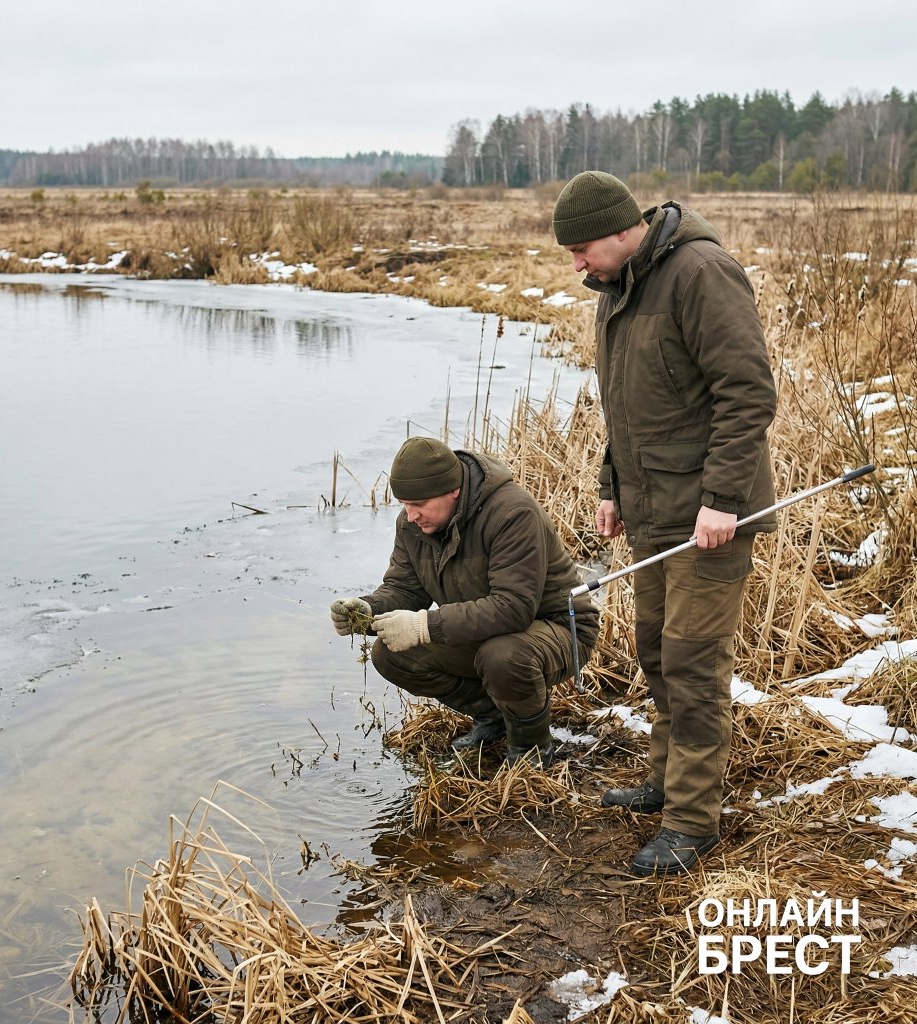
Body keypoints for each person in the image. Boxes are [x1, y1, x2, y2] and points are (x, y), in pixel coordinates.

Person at [552, 171, 777, 876]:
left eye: (583, 247)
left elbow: (748, 393)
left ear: (623, 230)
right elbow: (626, 405)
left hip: (710, 515)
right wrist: (612, 486)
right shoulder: (618, 291)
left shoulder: (702, 273)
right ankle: (666, 780)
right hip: (651, 511)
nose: (577, 264)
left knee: (693, 663)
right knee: (655, 648)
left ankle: (692, 822)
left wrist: (723, 499)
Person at [330, 436, 599, 767]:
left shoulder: (513, 513)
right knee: (390, 654)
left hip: (558, 627)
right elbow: (405, 588)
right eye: (404, 504)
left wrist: (424, 625)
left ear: (452, 490)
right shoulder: (413, 525)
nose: (410, 516)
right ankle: (496, 717)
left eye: (419, 505)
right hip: (486, 630)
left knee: (502, 656)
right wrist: (368, 610)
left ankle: (531, 747)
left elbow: (513, 609)